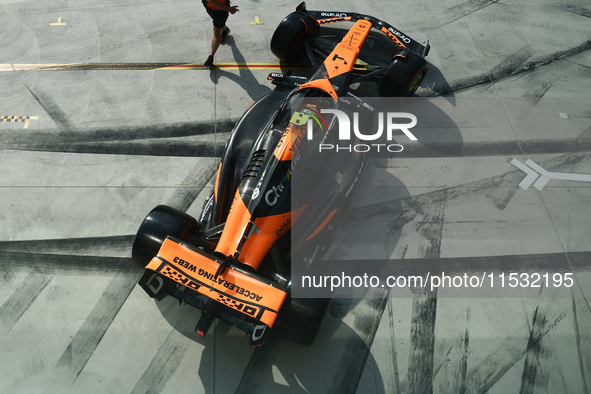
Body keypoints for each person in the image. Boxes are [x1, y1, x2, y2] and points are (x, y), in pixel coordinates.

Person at [202, 0, 239, 67]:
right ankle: (225, 29)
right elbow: (213, 2)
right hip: (210, 6)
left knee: (217, 32)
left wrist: (228, 9)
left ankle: (211, 56)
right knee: (219, 24)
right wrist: (230, 9)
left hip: (220, 12)